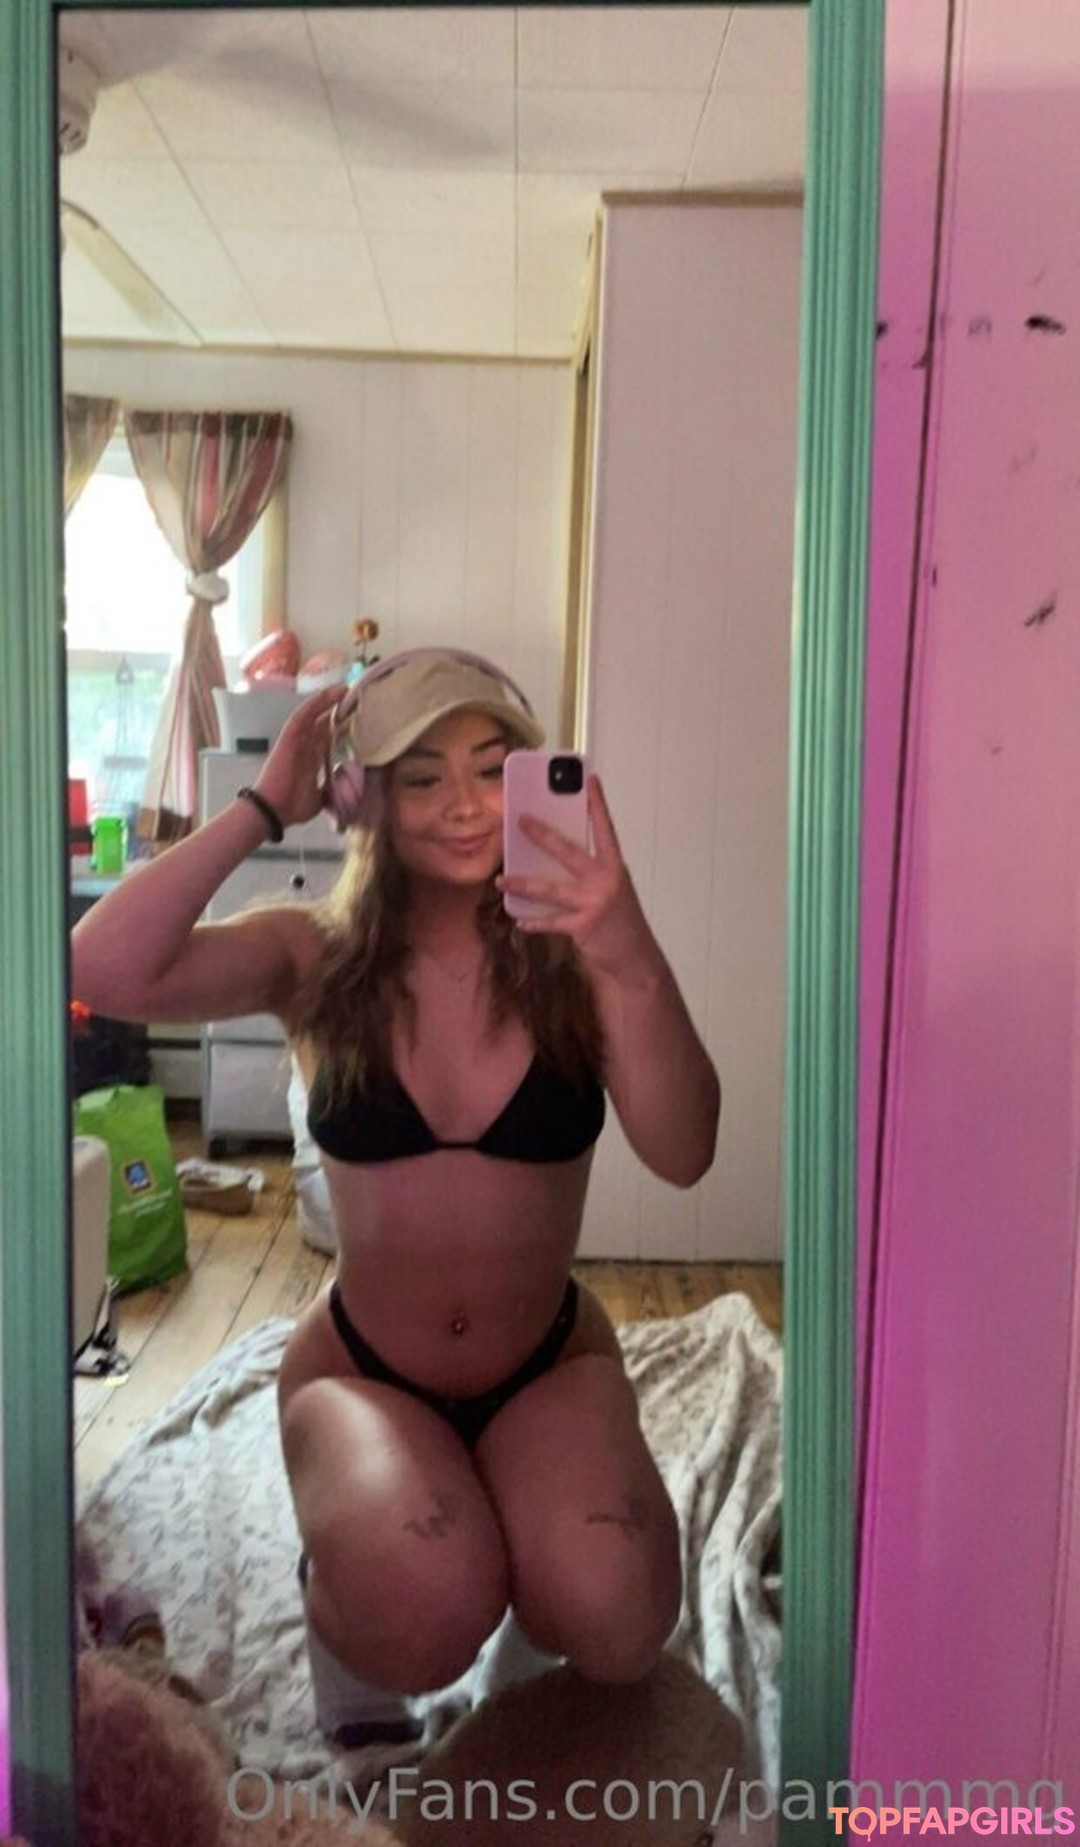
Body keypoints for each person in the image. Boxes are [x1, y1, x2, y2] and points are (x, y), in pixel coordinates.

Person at [71, 647, 721, 1748]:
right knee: (423, 1600)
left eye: (493, 768)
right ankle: (354, 1617)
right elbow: (101, 966)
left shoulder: (580, 958)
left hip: (546, 1362)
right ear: (362, 794)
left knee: (617, 1614)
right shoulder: (311, 955)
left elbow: (686, 1150)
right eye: (422, 777)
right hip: (365, 1369)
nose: (465, 804)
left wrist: (624, 945)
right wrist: (261, 806)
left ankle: (522, 1618)